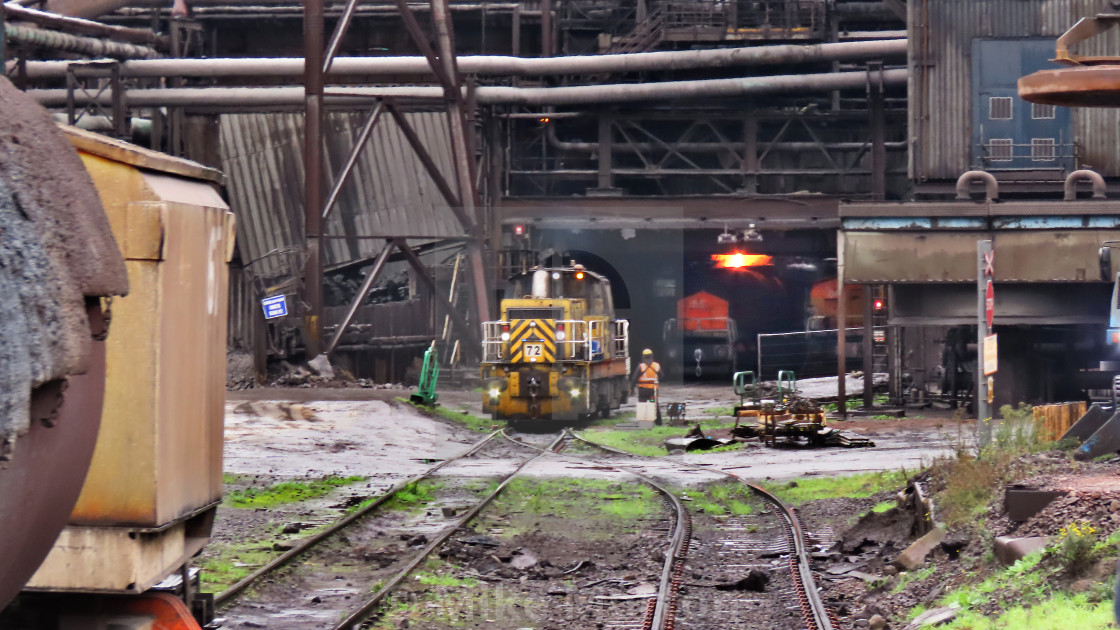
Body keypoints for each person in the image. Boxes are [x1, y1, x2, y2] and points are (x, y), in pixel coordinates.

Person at [631, 348, 662, 424]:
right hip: (653, 391)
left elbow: (634, 378)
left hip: (643, 391)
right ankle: (658, 422)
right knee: (654, 404)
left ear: (643, 357)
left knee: (642, 404)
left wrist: (631, 388)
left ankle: (643, 422)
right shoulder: (656, 366)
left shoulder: (641, 366)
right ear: (652, 356)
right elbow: (662, 375)